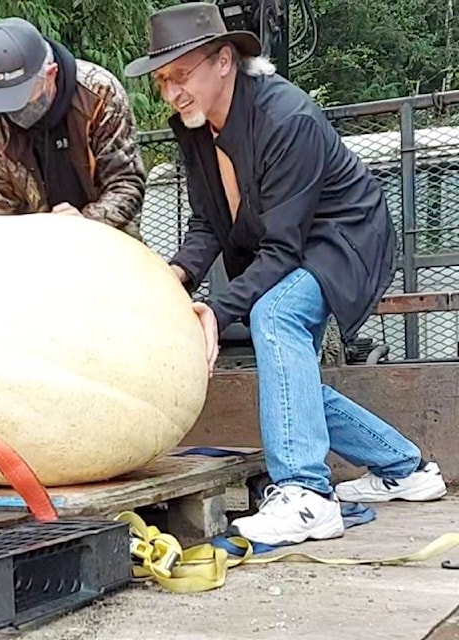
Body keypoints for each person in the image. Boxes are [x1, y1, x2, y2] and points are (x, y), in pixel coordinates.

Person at [124, 3, 446, 546]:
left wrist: (216, 309)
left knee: (273, 313)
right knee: (289, 380)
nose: (172, 93)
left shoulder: (285, 118)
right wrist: (173, 277)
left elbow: (282, 247)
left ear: (224, 60)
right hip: (292, 245)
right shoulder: (193, 127)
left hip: (346, 238)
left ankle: (306, 496)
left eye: (181, 76)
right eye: (162, 81)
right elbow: (209, 221)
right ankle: (406, 468)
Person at [0, 17, 146, 241]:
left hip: (107, 242)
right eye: (6, 97)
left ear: (51, 73)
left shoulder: (99, 93)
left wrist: (84, 223)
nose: (14, 108)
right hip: (31, 251)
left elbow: (126, 183)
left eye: (22, 95)